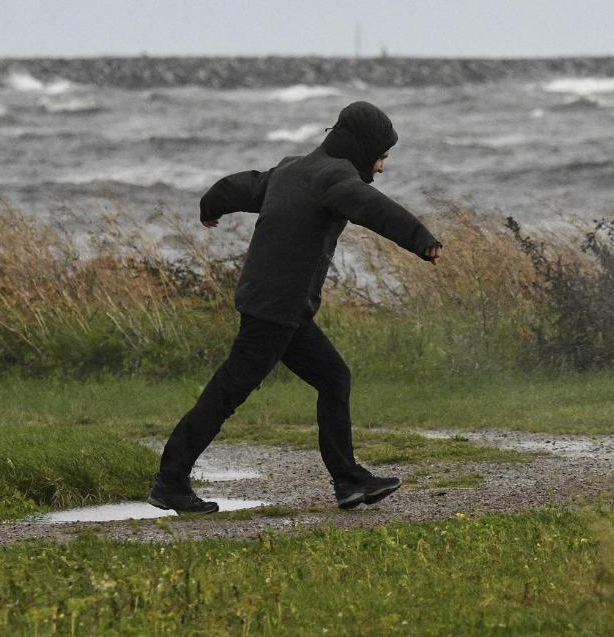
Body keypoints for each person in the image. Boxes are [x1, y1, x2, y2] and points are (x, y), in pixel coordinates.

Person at [148, 101, 443, 514]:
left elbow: (242, 185)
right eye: (381, 156)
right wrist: (420, 238)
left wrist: (210, 205)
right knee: (227, 393)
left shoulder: (291, 168)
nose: (381, 167)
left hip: (276, 305)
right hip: (277, 308)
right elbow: (372, 207)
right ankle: (171, 482)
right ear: (360, 147)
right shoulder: (335, 177)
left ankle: (349, 481)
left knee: (334, 377)